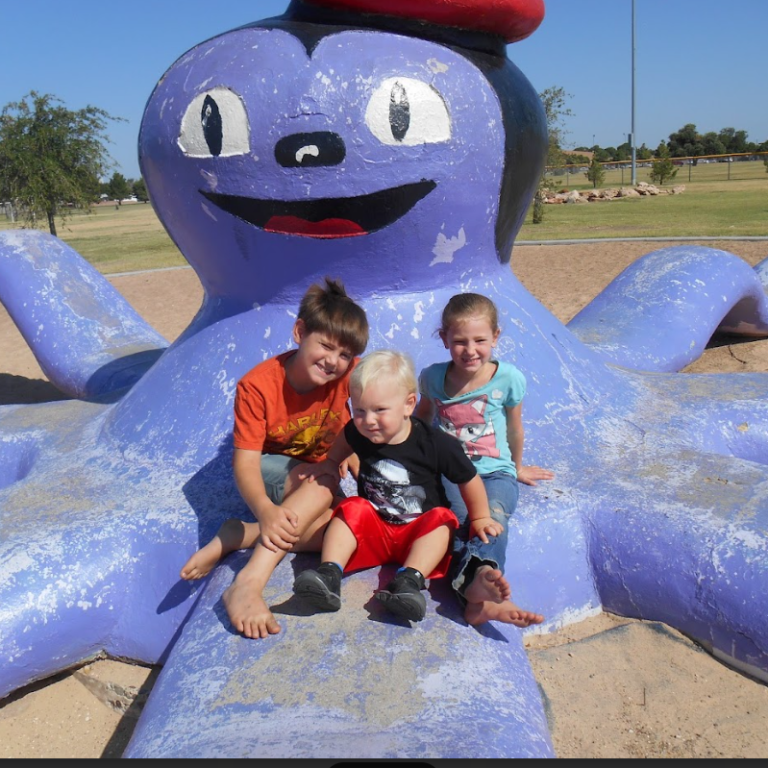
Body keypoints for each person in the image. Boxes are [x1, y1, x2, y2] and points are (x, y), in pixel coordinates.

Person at [180, 277, 369, 639]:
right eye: (325, 346)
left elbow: (369, 415)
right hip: (272, 470)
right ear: (300, 332)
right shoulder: (258, 386)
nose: (333, 361)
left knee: (344, 530)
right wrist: (265, 510)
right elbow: (245, 464)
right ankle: (247, 583)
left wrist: (353, 453)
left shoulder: (349, 375)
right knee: (324, 480)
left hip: (313, 477)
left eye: (345, 355)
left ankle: (240, 534)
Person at [292, 349, 511, 623]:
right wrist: (331, 461)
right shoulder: (359, 432)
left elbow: (468, 479)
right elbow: (345, 440)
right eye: (359, 410)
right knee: (352, 507)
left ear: (408, 405)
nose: (368, 420)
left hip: (417, 537)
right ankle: (329, 574)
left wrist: (479, 517)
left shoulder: (434, 442)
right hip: (374, 533)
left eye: (379, 410)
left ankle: (409, 581)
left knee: (443, 520)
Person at [414, 292, 553, 627]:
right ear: (444, 338)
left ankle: (480, 582)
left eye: (480, 340)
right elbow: (422, 419)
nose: (470, 350)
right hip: (451, 473)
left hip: (495, 472)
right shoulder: (433, 378)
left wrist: (517, 468)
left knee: (493, 517)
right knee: (462, 521)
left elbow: (515, 428)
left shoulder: (508, 379)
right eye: (459, 341)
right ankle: (480, 591)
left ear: (495, 337)